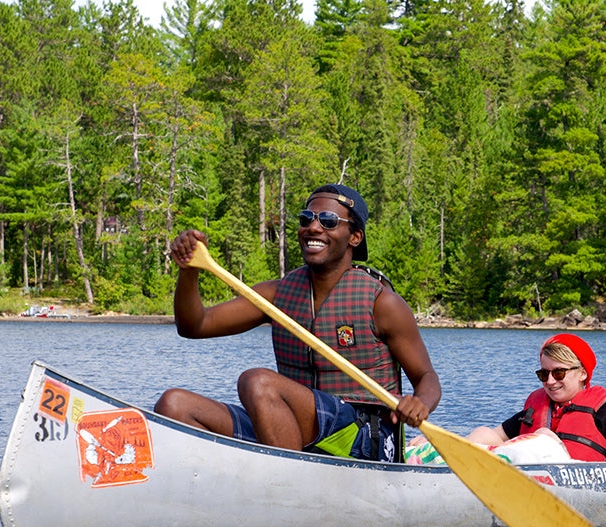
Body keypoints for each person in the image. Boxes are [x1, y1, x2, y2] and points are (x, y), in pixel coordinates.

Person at [155, 184, 441, 462]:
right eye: (307, 218)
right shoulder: (278, 294)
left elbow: (427, 378)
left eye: (329, 221)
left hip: (364, 437)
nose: (314, 228)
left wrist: (421, 403)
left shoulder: (383, 303)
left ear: (354, 237)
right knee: (174, 405)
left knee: (257, 382)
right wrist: (189, 271)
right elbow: (195, 326)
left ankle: (287, 487)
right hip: (291, 428)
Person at [450, 333, 606, 466]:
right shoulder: (534, 409)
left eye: (559, 373)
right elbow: (493, 436)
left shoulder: (605, 413)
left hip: (576, 486)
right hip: (526, 479)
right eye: (544, 374)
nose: (550, 381)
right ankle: (443, 456)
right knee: (482, 432)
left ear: (582, 373)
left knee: (543, 435)